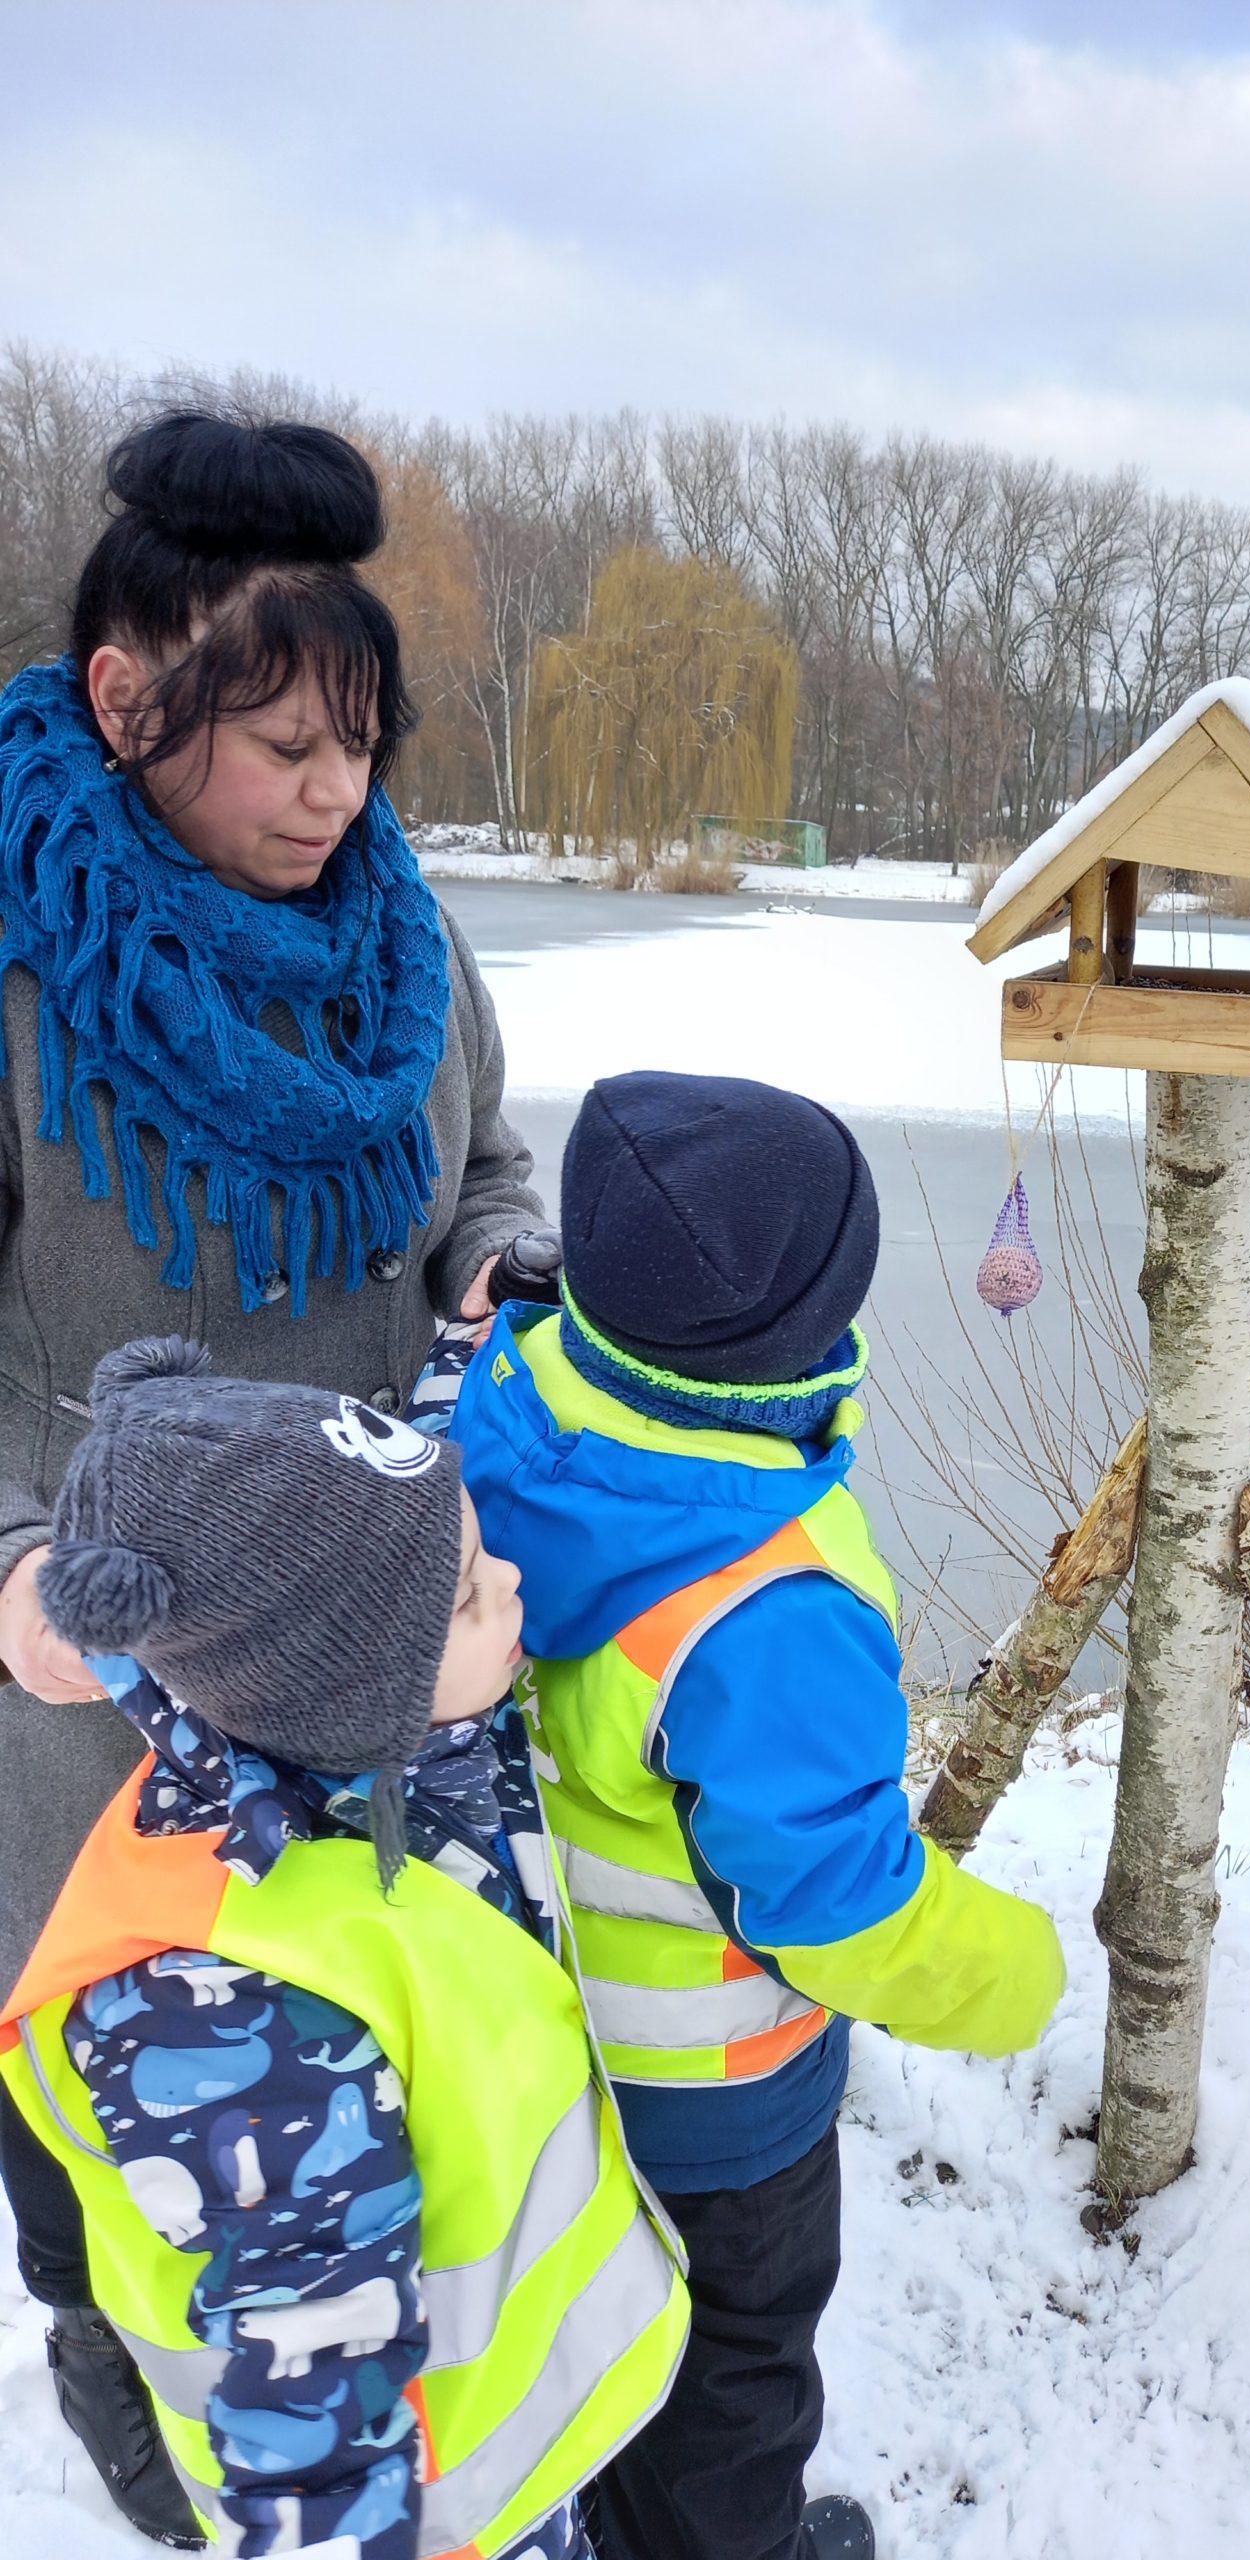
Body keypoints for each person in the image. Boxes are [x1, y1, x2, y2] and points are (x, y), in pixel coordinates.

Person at [0, 410, 543, 2540]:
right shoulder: (23, 966)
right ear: (129, 701)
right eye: (284, 743)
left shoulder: (400, 934)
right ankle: (169, 2488)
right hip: (87, 1707)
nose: (335, 795)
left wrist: (501, 1245)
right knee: (124, 2224)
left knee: (383, 2151)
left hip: (373, 1663)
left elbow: (480, 1149)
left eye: (364, 744)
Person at [448, 1070, 1067, 2560]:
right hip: (716, 2114)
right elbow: (838, 1908)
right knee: (732, 2379)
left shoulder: (516, 1391)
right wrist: (1017, 1974)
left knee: (588, 2322)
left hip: (538, 2046)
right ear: (797, 1333)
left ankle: (602, 2510)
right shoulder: (766, 1609)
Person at [0, 1337, 690, 2557]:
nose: (513, 1583)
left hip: (525, 2441)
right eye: (473, 1593)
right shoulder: (230, 2022)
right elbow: (311, 2417)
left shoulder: (344, 1729)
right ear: (359, 1683)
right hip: (447, 2509)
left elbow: (361, 1543)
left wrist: (469, 1338)